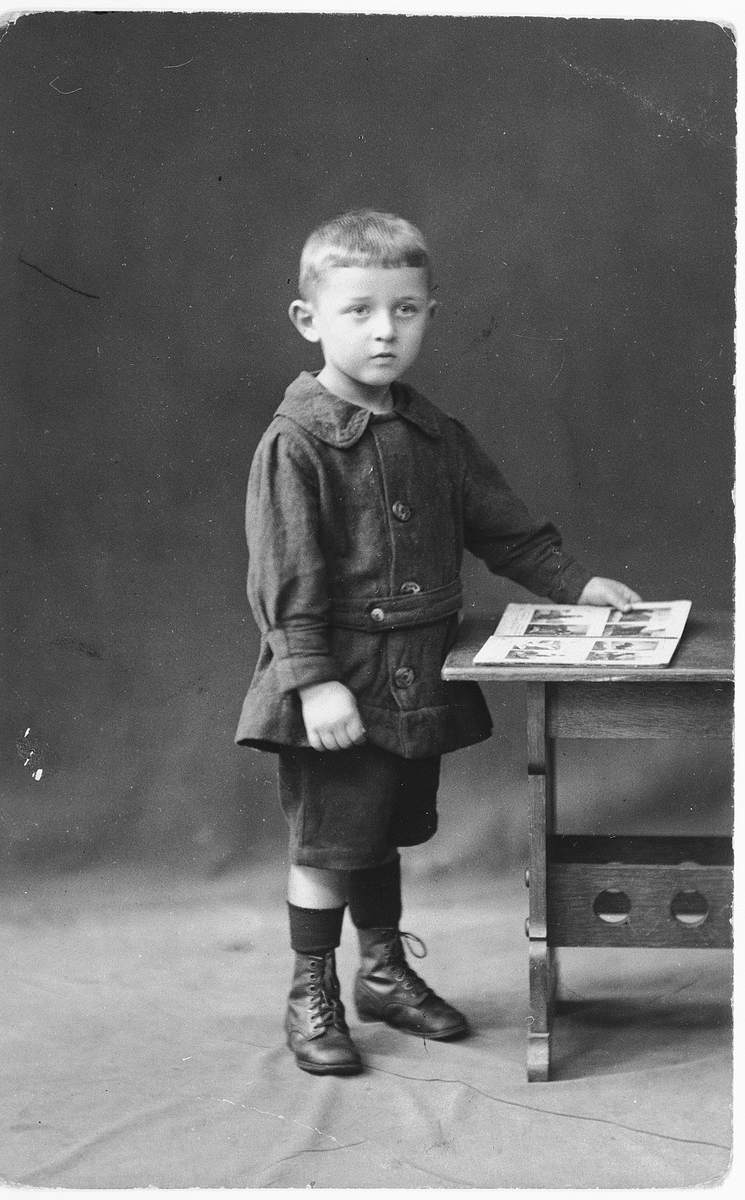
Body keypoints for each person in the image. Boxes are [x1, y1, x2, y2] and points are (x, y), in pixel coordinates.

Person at [236, 209, 641, 1075]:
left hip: (417, 679)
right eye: (359, 310)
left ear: (429, 313)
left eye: (407, 310)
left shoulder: (435, 435)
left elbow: (507, 531)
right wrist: (314, 685)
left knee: (378, 832)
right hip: (338, 686)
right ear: (309, 320)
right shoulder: (296, 444)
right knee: (326, 843)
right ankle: (313, 987)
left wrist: (577, 586)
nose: (385, 330)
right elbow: (286, 583)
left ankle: (382, 971)